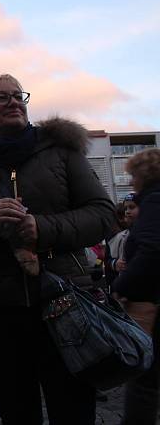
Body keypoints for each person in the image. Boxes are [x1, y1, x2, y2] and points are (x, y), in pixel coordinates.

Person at [0, 74, 115, 424]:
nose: (13, 101)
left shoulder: (61, 151)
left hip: (67, 302)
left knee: (74, 407)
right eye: (0, 97)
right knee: (17, 411)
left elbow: (103, 215)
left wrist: (43, 228)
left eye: (18, 95)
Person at [113, 148, 160, 424]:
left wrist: (121, 285)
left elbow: (153, 250)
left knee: (144, 378)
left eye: (132, 176)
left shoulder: (154, 201)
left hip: (149, 303)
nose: (130, 182)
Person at [106, 193, 138, 286]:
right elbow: (107, 260)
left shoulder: (150, 235)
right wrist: (115, 263)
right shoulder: (118, 237)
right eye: (126, 208)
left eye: (132, 207)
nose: (127, 212)